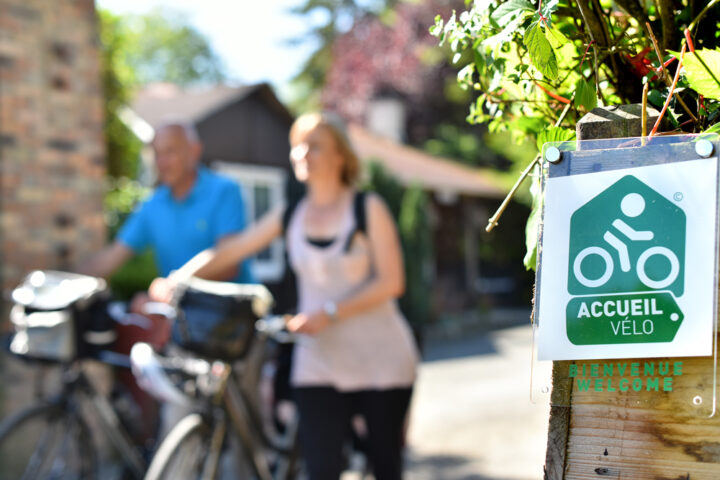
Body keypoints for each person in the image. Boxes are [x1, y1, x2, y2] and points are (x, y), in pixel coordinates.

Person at [149, 112, 419, 480]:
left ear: (341, 155)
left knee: (384, 466)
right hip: (319, 360)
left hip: (379, 359)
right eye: (297, 146)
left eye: (314, 146)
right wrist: (177, 279)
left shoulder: (367, 209)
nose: (302, 154)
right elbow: (232, 250)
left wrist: (330, 312)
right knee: (321, 468)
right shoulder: (290, 215)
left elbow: (391, 282)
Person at [79, 120, 254, 446]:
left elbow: (229, 261)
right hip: (185, 329)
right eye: (157, 154)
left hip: (234, 326)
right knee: (178, 428)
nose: (163, 162)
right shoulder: (153, 206)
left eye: (171, 152)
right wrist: (67, 283)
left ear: (195, 151)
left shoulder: (224, 191)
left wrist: (171, 286)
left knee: (241, 433)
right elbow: (113, 257)